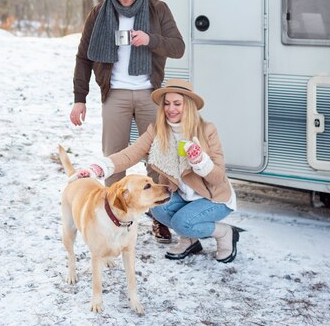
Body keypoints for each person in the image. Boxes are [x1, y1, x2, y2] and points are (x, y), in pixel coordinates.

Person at [69, 0, 185, 243]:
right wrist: (79, 98)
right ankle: (113, 217)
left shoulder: (158, 9)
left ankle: (160, 219)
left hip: (149, 94)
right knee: (114, 159)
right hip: (115, 94)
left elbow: (178, 47)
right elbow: (83, 57)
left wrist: (151, 40)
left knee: (157, 159)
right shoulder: (99, 13)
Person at [76, 79, 241, 264]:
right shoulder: (157, 131)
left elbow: (218, 177)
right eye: (167, 104)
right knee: (158, 208)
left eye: (177, 104)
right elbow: (129, 155)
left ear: (189, 106)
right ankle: (190, 240)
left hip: (213, 198)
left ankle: (225, 232)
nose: (171, 109)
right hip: (183, 196)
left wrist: (200, 161)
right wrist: (99, 168)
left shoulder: (206, 130)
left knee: (183, 222)